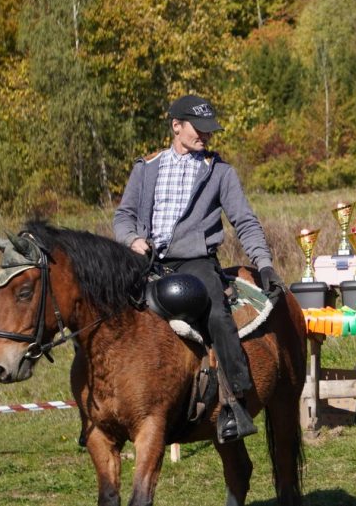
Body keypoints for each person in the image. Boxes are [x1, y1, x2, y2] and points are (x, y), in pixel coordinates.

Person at [113, 94, 286, 442]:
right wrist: (133, 240)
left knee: (216, 312)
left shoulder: (220, 172)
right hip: (145, 260)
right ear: (176, 126)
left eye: (210, 131)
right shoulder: (146, 168)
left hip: (195, 262)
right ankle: (99, 406)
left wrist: (264, 264)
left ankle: (234, 402)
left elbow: (245, 222)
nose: (206, 136)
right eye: (199, 129)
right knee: (100, 305)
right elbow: (124, 217)